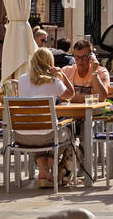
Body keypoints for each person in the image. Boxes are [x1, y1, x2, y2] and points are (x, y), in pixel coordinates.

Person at [15, 48, 75, 187]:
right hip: (47, 136)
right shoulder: (54, 81)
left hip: (21, 136)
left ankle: (43, 173)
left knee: (36, 132)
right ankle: (48, 167)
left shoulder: (22, 80)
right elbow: (70, 94)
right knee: (69, 133)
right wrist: (62, 75)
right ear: (50, 63)